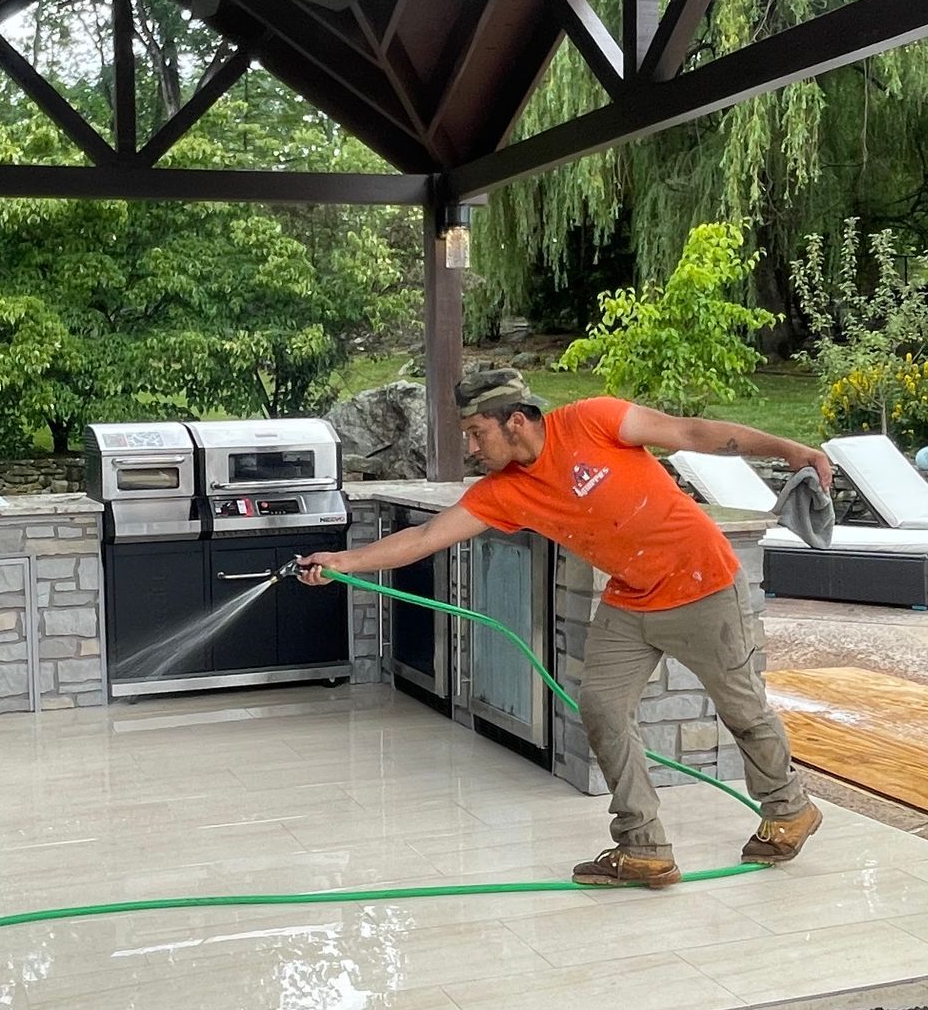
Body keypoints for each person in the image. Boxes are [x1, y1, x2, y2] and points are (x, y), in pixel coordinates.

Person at [298, 368, 829, 888]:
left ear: (515, 422)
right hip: (630, 598)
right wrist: (345, 560)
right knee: (600, 706)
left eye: (476, 433)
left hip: (702, 583)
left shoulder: (595, 420)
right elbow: (426, 537)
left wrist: (788, 450)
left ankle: (789, 808)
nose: (472, 449)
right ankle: (643, 846)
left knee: (741, 708)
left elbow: (691, 432)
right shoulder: (502, 491)